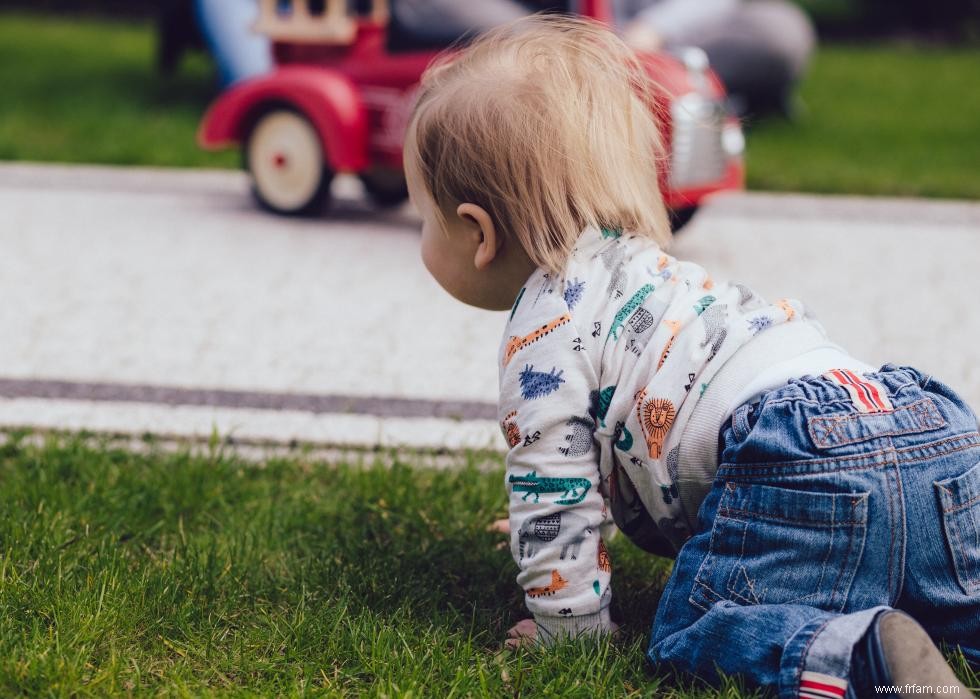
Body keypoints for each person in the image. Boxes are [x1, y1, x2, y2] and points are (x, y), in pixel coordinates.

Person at [402, 14, 979, 698]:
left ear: (477, 232)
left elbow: (552, 490)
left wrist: (567, 626)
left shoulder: (543, 331)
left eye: (421, 218)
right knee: (953, 600)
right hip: (924, 422)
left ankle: (855, 655)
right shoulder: (652, 272)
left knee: (694, 626)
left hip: (795, 453)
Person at [617, 0, 817, 118]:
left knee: (778, 30)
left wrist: (654, 28)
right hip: (609, 44)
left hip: (701, 34)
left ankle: (701, 99)